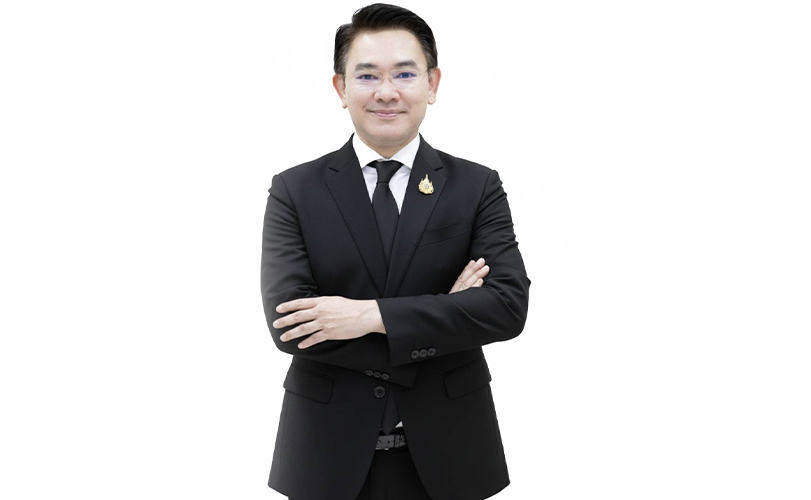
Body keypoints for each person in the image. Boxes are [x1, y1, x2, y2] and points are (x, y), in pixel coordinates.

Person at [260, 4, 531, 500]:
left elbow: (507, 308)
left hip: (454, 454)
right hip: (325, 457)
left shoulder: (476, 187)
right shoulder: (295, 190)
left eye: (404, 74)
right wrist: (447, 312)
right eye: (367, 75)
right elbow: (290, 326)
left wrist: (367, 316)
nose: (386, 92)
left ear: (432, 83)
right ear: (341, 88)